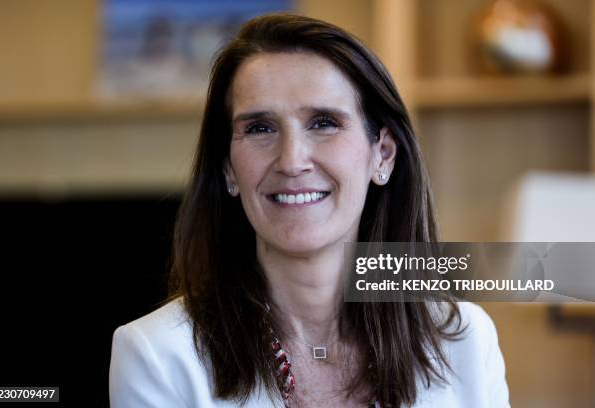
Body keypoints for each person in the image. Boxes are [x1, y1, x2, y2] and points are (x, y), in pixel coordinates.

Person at [109, 14, 510, 408]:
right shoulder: (158, 356)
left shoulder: (465, 341)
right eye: (260, 128)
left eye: (323, 122)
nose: (292, 160)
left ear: (382, 155)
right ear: (228, 168)